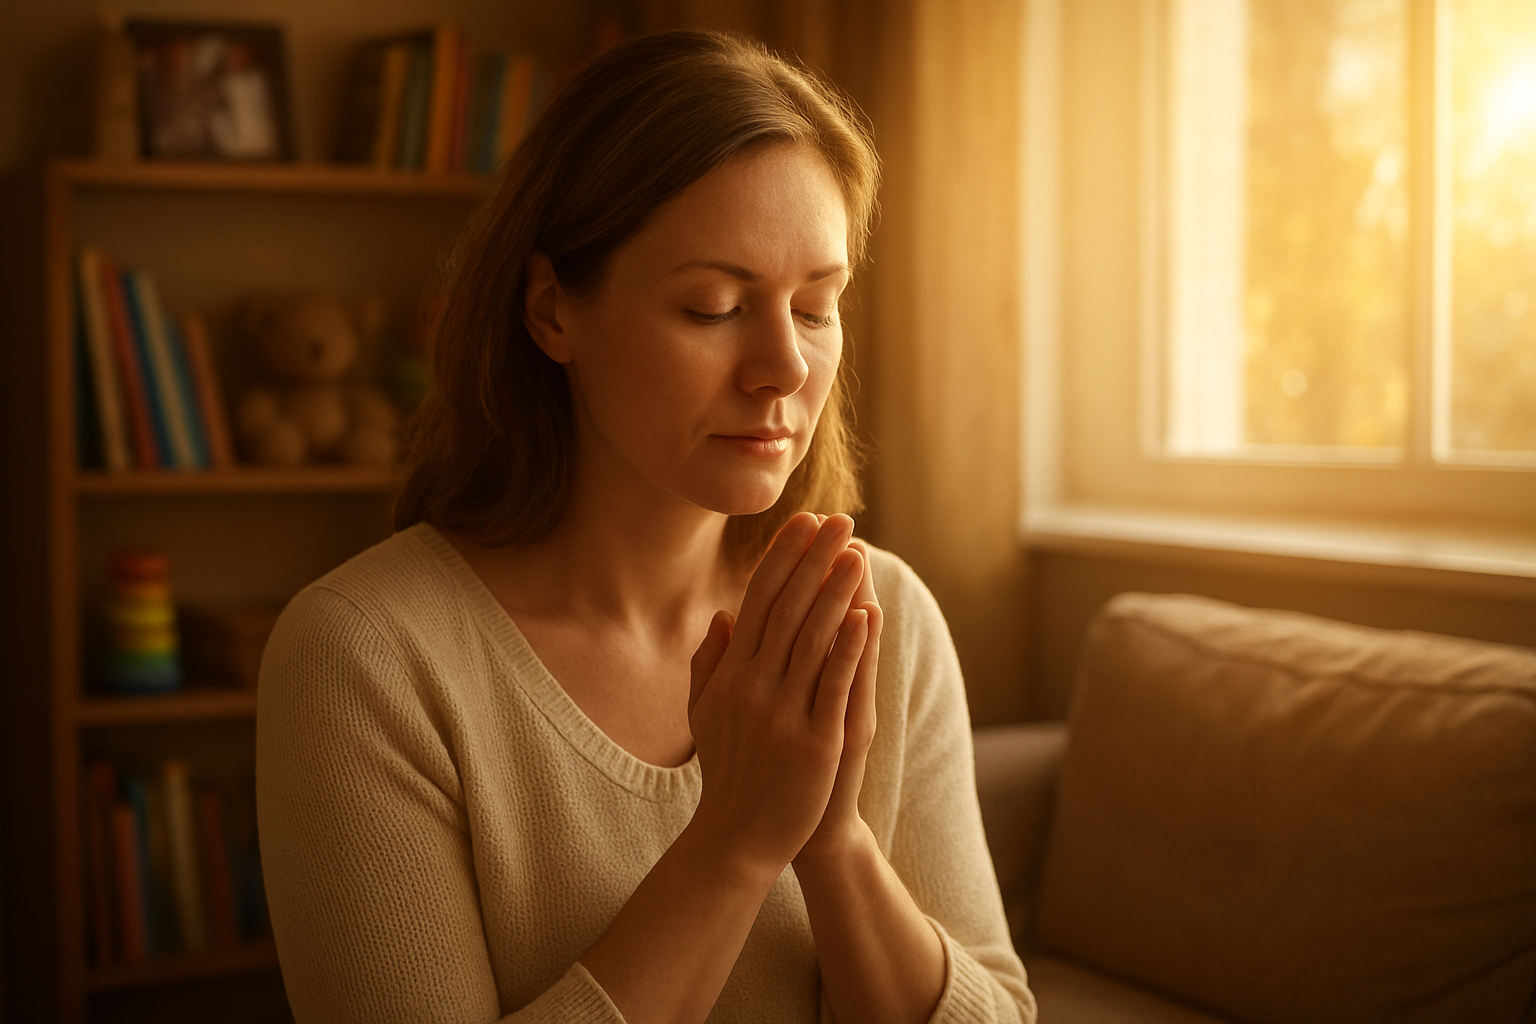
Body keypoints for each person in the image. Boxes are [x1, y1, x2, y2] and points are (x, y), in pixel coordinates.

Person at [256, 28, 1037, 1024]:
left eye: (815, 307)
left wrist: (834, 840)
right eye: (714, 307)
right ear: (552, 312)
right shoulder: (364, 659)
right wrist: (737, 839)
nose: (785, 368)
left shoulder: (884, 615)